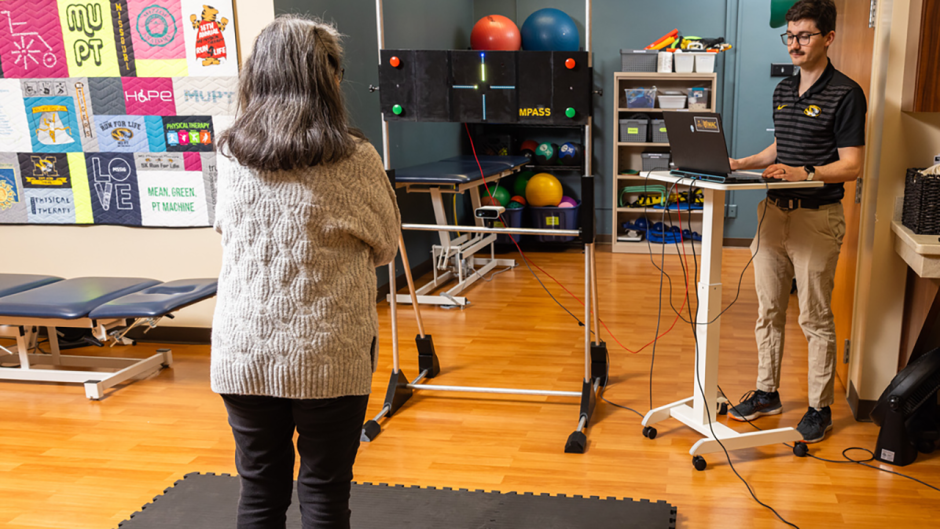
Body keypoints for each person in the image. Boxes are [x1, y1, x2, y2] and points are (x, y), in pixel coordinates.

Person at [211, 15, 400, 528]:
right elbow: (387, 245)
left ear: (257, 77)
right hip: (328, 352)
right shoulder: (355, 158)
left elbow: (225, 230)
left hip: (242, 350)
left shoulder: (229, 154)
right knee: (323, 493)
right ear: (329, 80)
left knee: (259, 493)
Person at [726, 0, 866, 443]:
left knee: (814, 317)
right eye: (789, 36)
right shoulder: (783, 91)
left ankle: (819, 408)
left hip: (816, 220)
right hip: (772, 215)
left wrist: (805, 173)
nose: (795, 44)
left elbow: (852, 165)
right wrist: (742, 162)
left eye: (804, 35)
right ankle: (767, 393)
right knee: (768, 310)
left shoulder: (847, 93)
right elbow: (779, 151)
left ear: (828, 38)